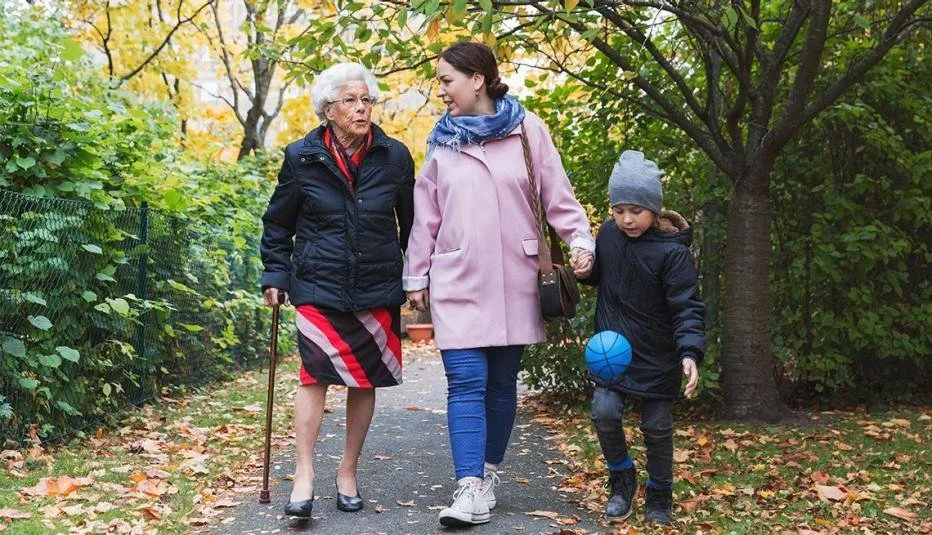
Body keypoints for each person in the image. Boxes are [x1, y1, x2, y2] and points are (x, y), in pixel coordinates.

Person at [403, 41, 595, 528]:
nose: (441, 90)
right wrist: (416, 274)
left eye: (447, 79)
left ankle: (487, 476)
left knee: (502, 384)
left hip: (517, 279)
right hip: (458, 278)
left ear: (477, 78)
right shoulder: (440, 141)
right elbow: (426, 215)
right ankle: (467, 485)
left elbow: (558, 195)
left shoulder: (529, 130)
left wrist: (580, 240)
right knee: (465, 382)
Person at [260, 62, 415, 518]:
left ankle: (347, 471)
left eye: (367, 99)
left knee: (363, 378)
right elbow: (278, 223)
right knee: (314, 376)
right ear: (328, 108)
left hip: (376, 284)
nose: (362, 108)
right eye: (351, 100)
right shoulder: (301, 156)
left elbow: (413, 224)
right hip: (318, 284)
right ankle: (304, 474)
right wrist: (275, 274)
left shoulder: (395, 155)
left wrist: (418, 276)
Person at [579, 150, 705, 525]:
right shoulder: (608, 234)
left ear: (654, 208)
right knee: (603, 412)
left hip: (657, 353)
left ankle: (661, 493)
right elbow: (601, 276)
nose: (626, 219)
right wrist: (586, 271)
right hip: (611, 351)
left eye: (636, 210)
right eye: (619, 210)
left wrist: (689, 352)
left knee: (657, 426)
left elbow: (687, 307)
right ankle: (622, 478)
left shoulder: (673, 253)